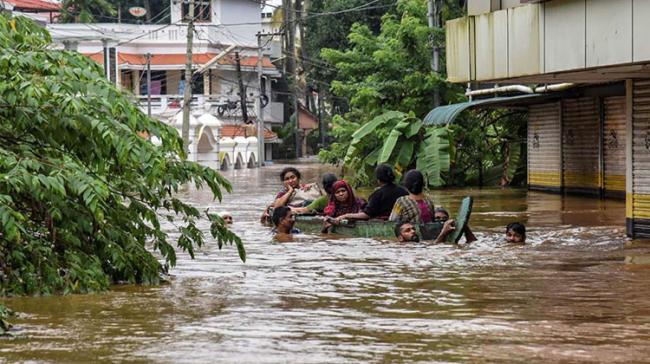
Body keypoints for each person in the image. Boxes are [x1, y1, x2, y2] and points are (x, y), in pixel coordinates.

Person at [335, 164, 408, 222]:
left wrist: (346, 216)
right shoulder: (403, 191)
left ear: (378, 180)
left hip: (382, 223)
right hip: (402, 222)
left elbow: (366, 215)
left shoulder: (377, 194)